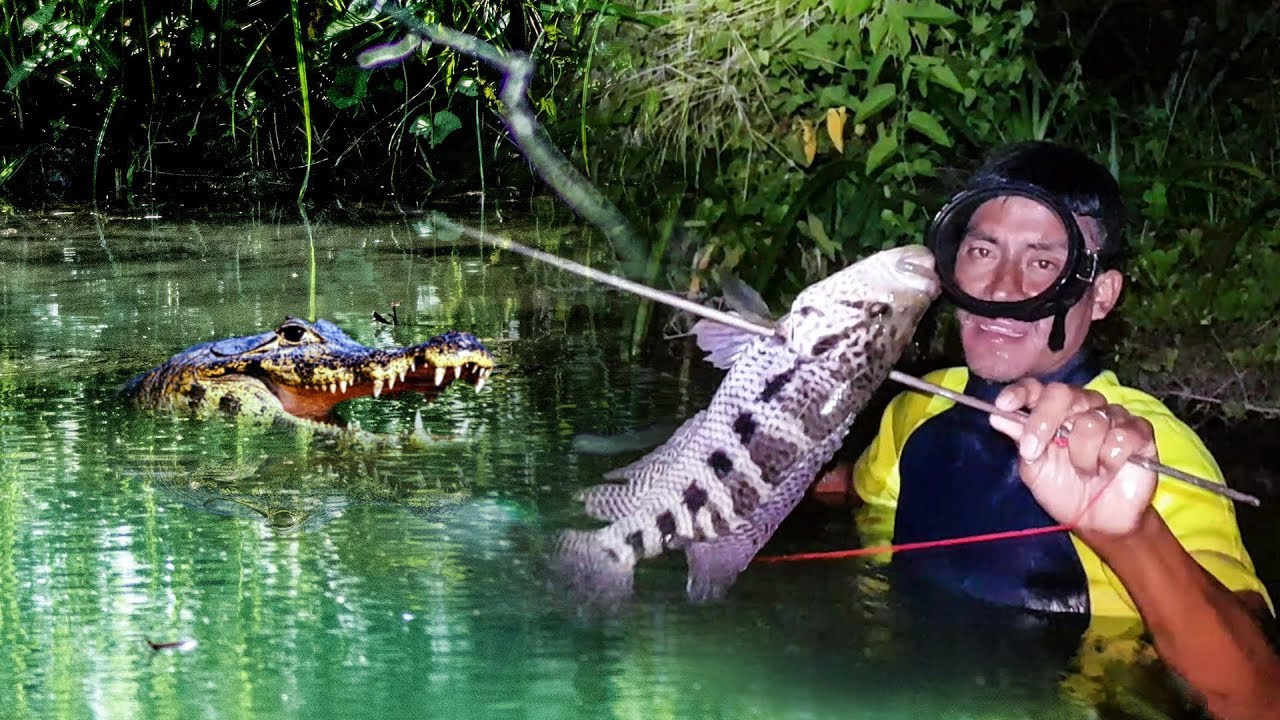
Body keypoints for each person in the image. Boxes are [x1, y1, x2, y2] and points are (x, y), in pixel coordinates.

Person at [833, 141, 1280, 719]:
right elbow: (858, 493)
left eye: (1043, 263)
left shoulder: (1147, 454)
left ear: (1100, 296)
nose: (1000, 287)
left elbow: (1260, 698)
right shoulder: (919, 408)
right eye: (981, 251)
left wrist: (1129, 533)